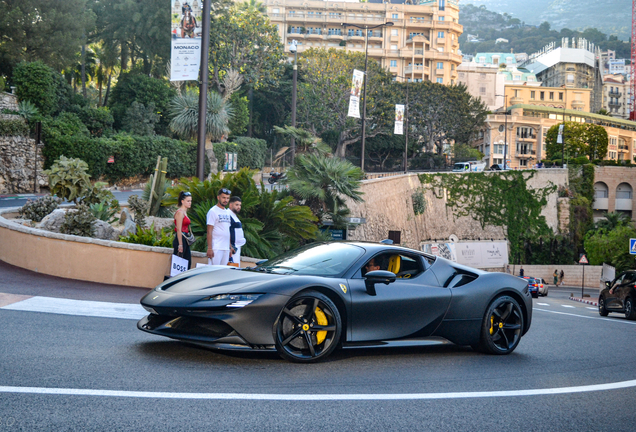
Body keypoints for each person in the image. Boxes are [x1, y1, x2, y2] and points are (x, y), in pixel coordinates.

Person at [206, 188, 232, 265]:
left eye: (227, 198)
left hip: (226, 248)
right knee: (213, 272)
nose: (226, 200)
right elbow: (209, 231)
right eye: (223, 197)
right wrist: (210, 248)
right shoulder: (213, 211)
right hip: (216, 248)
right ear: (218, 197)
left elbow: (228, 230)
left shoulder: (227, 212)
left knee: (222, 273)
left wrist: (229, 247)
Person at [173, 191, 193, 269]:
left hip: (185, 237)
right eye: (188, 201)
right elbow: (179, 229)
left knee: (187, 262)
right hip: (181, 238)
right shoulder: (180, 213)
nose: (190, 203)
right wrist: (180, 244)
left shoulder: (185, 212)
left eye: (190, 201)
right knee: (179, 261)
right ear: (182, 201)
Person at [228, 196, 246, 268]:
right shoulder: (228, 214)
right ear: (231, 205)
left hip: (237, 248)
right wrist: (230, 246)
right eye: (237, 205)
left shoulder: (234, 215)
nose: (239, 207)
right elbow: (227, 231)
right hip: (232, 249)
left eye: (240, 205)